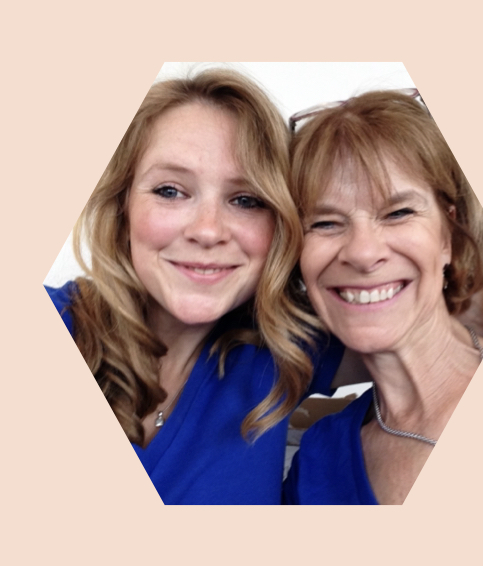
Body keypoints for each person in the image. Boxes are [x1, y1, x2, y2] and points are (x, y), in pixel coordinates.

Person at [45, 68, 344, 504]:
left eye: (246, 200)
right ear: (122, 206)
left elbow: (445, 314)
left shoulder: (284, 350)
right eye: (170, 191)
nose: (207, 231)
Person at [283, 89, 483, 504]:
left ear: (448, 235)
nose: (363, 253)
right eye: (324, 223)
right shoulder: (317, 463)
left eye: (398, 213)